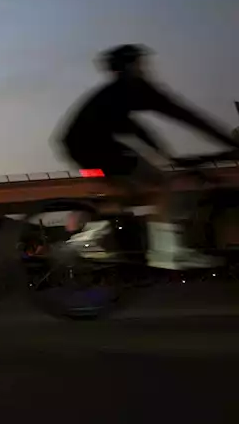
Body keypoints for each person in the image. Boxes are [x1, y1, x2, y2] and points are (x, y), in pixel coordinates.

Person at [56, 44, 239, 270]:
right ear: (130, 66)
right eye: (141, 64)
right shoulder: (134, 89)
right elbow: (188, 117)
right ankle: (166, 252)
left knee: (127, 191)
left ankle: (87, 240)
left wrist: (167, 155)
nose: (145, 69)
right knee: (161, 184)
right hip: (96, 145)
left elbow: (140, 131)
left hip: (77, 146)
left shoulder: (112, 93)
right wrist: (230, 144)